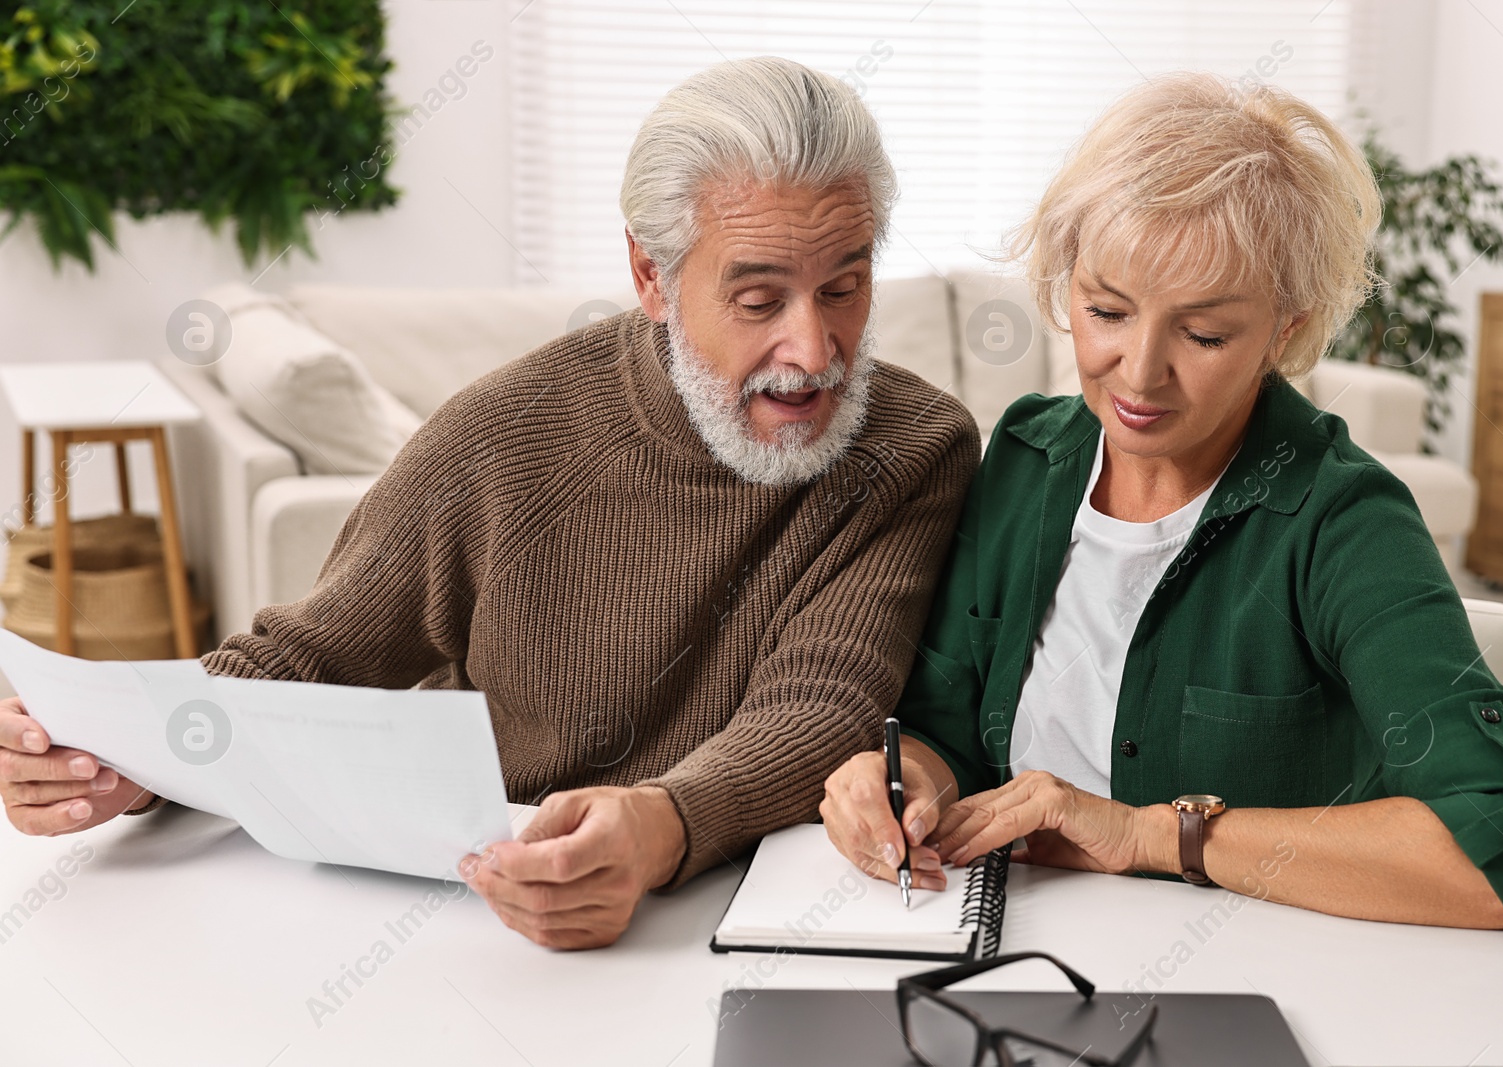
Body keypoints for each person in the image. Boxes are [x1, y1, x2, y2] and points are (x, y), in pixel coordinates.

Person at [0, 57, 979, 950]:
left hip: (740, 917)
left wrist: (659, 824)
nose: (814, 352)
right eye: (760, 301)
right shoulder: (505, 431)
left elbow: (820, 706)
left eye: (844, 286)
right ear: (651, 276)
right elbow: (308, 653)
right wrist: (135, 756)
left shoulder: (915, 446)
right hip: (483, 910)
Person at [820, 72, 1503, 936]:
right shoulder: (1026, 459)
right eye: (1106, 311)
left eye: (1205, 334)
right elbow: (942, 730)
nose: (1138, 373)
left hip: (1247, 989)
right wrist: (902, 780)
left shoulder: (1343, 521)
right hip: (1008, 960)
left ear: (1285, 331)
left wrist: (1151, 834)